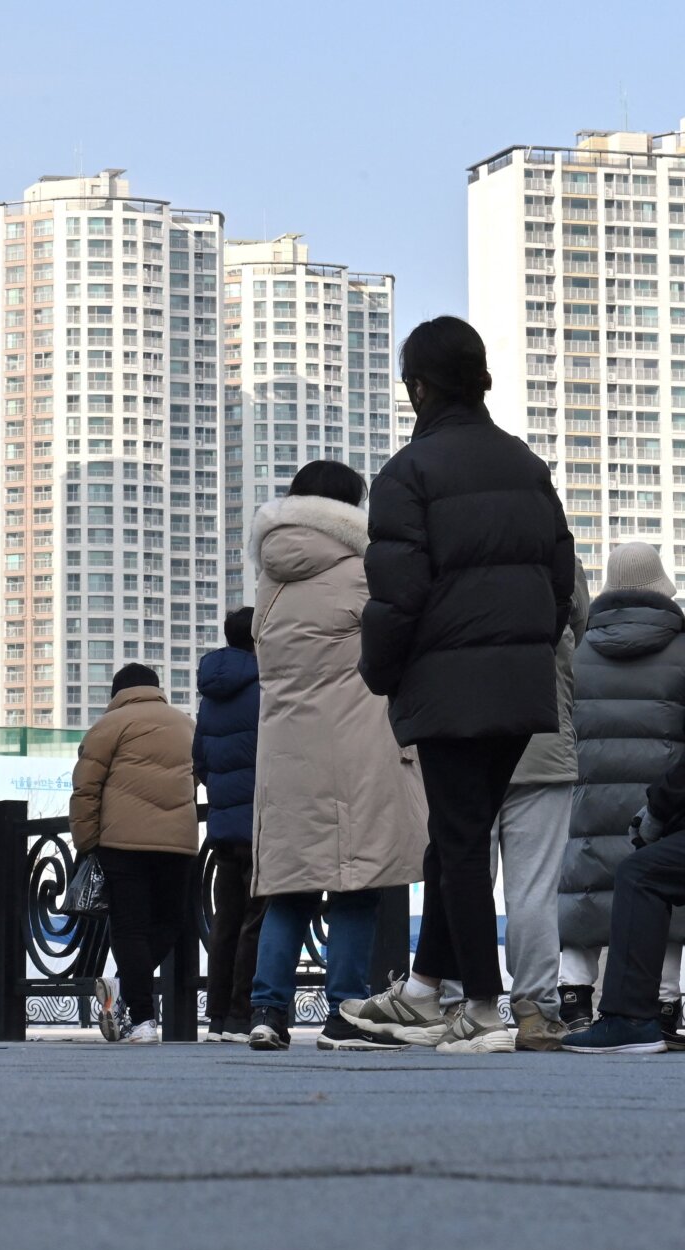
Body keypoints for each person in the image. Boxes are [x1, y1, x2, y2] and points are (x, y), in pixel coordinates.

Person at [348, 316, 575, 1055]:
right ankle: (423, 989)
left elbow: (396, 596)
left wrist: (382, 673)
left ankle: (479, 1005)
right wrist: (528, 651)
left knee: (461, 841)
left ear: (418, 388)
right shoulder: (528, 465)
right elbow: (559, 576)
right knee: (458, 838)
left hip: (446, 686)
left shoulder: (407, 475)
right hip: (520, 685)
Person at [240, 465, 427, 1053]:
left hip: (286, 753)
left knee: (290, 887)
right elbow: (400, 641)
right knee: (355, 883)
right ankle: (345, 1014)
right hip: (354, 746)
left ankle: (267, 1013)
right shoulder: (363, 571)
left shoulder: (269, 581)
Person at [560, 543, 685, 1041]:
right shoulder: (682, 646)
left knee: (583, 891)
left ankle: (573, 996)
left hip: (590, 799)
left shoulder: (581, 645)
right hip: (665, 799)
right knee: (666, 899)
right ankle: (664, 1001)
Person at [478, 552, 589, 1050]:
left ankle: (467, 1002)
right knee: (534, 890)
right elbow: (578, 627)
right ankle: (535, 1012)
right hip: (541, 741)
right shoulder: (558, 559)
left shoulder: (461, 555)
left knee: (464, 879)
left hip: (466, 742)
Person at [71, 664, 200, 1044]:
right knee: (168, 922)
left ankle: (141, 1017)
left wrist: (86, 842)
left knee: (129, 926)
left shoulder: (109, 726)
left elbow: (85, 789)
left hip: (122, 843)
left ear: (117, 693)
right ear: (156, 688)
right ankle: (129, 993)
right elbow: (192, 779)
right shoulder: (185, 724)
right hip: (177, 843)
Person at [194, 607, 264, 1043]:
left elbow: (199, 760)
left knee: (225, 921)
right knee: (256, 920)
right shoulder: (266, 686)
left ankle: (217, 1016)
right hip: (261, 821)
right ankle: (242, 1014)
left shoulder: (210, 694)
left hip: (222, 825)